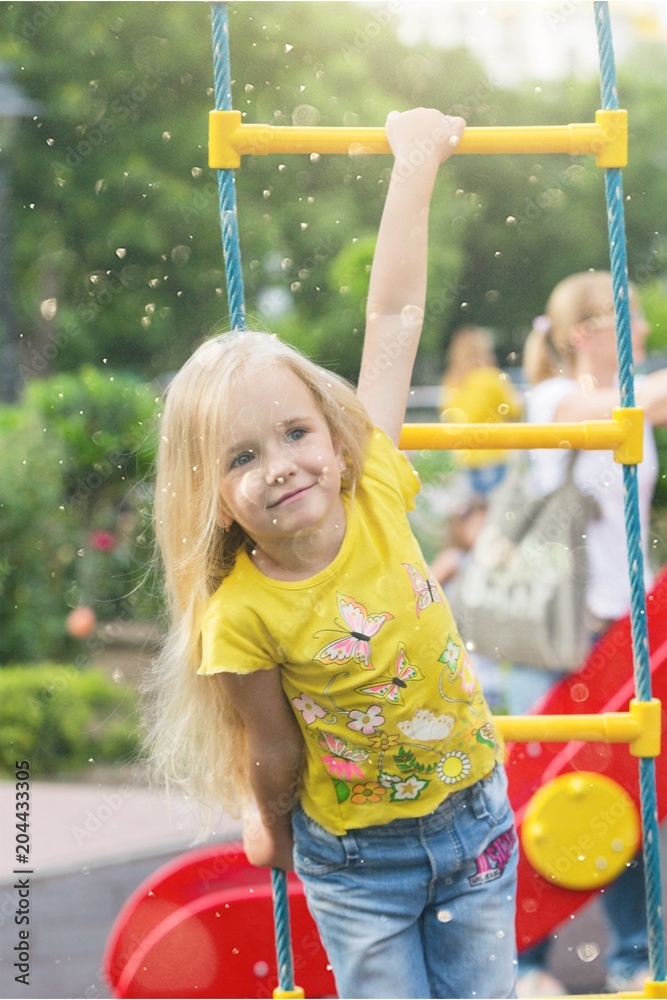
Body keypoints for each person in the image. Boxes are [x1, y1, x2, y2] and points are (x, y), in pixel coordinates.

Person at [146, 109, 518, 1000]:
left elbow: (392, 313)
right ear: (213, 498)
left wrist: (415, 160)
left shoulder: (374, 486)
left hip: (473, 826)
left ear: (332, 435)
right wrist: (267, 827)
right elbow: (270, 745)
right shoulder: (239, 615)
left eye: (293, 433)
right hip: (355, 862)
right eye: (241, 457)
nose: (279, 468)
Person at [511, 269, 663, 997]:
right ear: (583, 336)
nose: (640, 333)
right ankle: (522, 966)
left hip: (615, 623)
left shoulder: (623, 406)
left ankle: (634, 956)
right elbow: (637, 402)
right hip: (564, 630)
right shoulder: (554, 400)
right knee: (543, 795)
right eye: (627, 320)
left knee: (626, 793)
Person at [439, 324, 523, 496]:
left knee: (472, 515)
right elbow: (515, 410)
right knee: (493, 513)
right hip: (493, 454)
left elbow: (447, 413)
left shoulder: (451, 382)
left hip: (463, 458)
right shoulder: (491, 378)